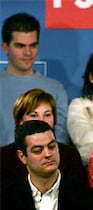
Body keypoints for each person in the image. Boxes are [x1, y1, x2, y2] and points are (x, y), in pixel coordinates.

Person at [0, 12, 69, 146]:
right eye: (20, 46)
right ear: (6, 47)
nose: (28, 53)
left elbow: (60, 140)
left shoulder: (55, 89)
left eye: (33, 45)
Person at [1, 88, 87, 187]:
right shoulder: (3, 158)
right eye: (34, 115)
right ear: (20, 121)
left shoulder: (70, 155)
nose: (42, 120)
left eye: (47, 115)